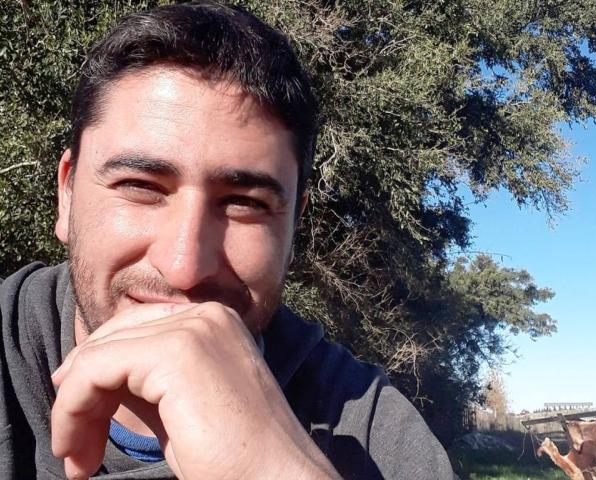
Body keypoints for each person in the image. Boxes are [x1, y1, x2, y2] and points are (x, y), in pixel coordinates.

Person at [0, 2, 454, 479]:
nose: (184, 267)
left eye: (244, 203)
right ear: (68, 194)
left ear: (292, 228)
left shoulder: (379, 438)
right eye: (140, 186)